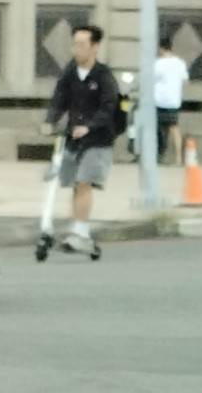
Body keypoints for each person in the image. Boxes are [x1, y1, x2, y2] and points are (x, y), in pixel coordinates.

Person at [44, 24, 118, 254]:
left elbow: (109, 108)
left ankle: (80, 232)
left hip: (98, 140)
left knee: (84, 182)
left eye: (81, 44)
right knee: (76, 185)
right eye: (74, 44)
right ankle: (81, 232)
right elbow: (59, 98)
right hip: (74, 138)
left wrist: (89, 127)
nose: (76, 49)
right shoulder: (70, 71)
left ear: (94, 47)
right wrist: (50, 120)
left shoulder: (104, 76)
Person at [154, 35, 188, 166]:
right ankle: (178, 158)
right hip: (174, 100)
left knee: (157, 129)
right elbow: (185, 79)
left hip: (158, 100)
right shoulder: (180, 63)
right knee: (174, 128)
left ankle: (158, 155)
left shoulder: (157, 63)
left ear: (160, 48)